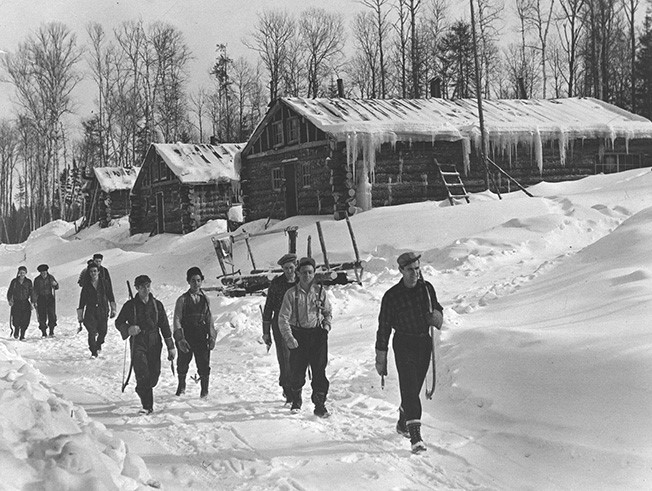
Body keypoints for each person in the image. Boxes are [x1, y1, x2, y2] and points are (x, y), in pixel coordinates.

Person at [375, 252, 444, 453]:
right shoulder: (391, 296)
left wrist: (436, 316)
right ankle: (415, 437)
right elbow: (384, 327)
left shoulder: (427, 289)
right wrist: (381, 355)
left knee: (412, 390)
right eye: (410, 270)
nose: (415, 273)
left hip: (423, 342)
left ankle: (402, 420)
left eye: (417, 269)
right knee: (408, 385)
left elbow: (437, 307)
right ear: (401, 271)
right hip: (403, 342)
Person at [278, 256, 332, 418]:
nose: (306, 276)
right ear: (298, 273)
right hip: (299, 336)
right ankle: (296, 399)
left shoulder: (320, 292)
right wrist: (289, 338)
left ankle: (320, 404)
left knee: (319, 371)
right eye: (303, 272)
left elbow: (328, 312)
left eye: (310, 272)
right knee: (296, 371)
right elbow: (283, 318)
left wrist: (326, 328)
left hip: (317, 335)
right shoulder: (291, 294)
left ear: (314, 273)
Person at [115, 275, 176, 414]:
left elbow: (165, 326)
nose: (145, 289)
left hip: (155, 341)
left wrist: (171, 347)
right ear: (136, 288)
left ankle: (141, 389)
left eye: (148, 286)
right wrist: (129, 329)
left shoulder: (157, 304)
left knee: (154, 376)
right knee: (142, 372)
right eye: (142, 287)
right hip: (138, 342)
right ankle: (147, 406)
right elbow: (118, 322)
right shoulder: (130, 306)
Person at [173, 267, 216, 399]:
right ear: (188, 281)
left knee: (203, 363)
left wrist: (212, 336)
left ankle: (204, 391)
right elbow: (177, 319)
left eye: (198, 280)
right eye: (193, 281)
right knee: (183, 362)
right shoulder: (182, 300)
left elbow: (209, 318)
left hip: (201, 335)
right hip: (187, 335)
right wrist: (180, 339)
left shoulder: (205, 299)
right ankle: (181, 386)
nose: (196, 284)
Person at [262, 253, 298, 403]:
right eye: (286, 268)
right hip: (280, 323)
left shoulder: (301, 281)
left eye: (291, 268)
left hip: (298, 323)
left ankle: (295, 387)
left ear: (295, 266)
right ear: (282, 269)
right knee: (285, 358)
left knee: (297, 357)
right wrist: (266, 332)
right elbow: (268, 308)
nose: (289, 271)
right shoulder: (277, 284)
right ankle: (287, 389)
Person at [77, 262, 116, 358]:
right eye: (91, 272)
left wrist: (113, 309)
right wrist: (80, 315)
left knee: (103, 331)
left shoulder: (104, 283)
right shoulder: (86, 286)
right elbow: (82, 301)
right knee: (91, 331)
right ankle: (93, 351)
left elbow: (110, 296)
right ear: (89, 273)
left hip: (103, 310)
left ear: (98, 272)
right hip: (91, 311)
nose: (93, 273)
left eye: (95, 271)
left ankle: (98, 344)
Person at [7, 266, 33, 340]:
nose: (22, 274)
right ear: (18, 273)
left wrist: (32, 302)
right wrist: (10, 300)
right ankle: (16, 330)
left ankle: (22, 335)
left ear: (26, 273)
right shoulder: (14, 281)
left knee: (25, 319)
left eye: (23, 272)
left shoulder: (28, 282)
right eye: (21, 272)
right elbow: (10, 292)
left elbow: (32, 292)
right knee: (16, 318)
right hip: (16, 303)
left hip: (25, 302)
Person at [32, 264, 59, 337]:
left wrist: (55, 284)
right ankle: (43, 332)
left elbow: (56, 287)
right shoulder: (37, 280)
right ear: (40, 273)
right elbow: (35, 290)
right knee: (42, 315)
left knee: (52, 315)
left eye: (45, 272)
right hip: (41, 298)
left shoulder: (51, 277)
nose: (43, 274)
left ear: (47, 271)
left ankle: (51, 331)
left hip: (50, 298)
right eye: (42, 272)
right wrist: (34, 300)